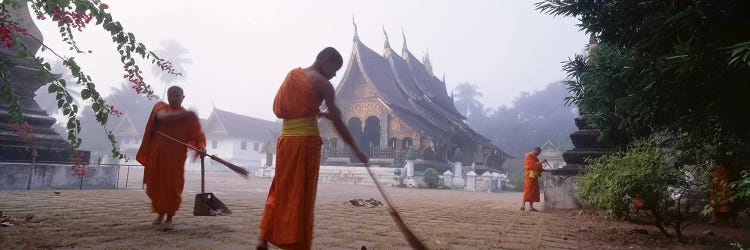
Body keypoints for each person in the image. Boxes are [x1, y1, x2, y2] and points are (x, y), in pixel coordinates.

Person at [257, 47, 368, 250]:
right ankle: (296, 244)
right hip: (305, 144)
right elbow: (338, 120)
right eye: (335, 69)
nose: (335, 75)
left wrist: (317, 112)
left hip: (285, 142)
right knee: (301, 197)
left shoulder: (293, 75)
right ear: (325, 60)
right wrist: (355, 148)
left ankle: (263, 237)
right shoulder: (323, 84)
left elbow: (282, 109)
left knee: (279, 189)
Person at [136, 86, 206, 231]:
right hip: (157, 155)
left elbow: (198, 136)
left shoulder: (188, 117)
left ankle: (169, 217)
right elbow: (163, 117)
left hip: (175, 157)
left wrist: (201, 147)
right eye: (171, 95)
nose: (174, 98)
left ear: (183, 97)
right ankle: (159, 214)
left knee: (172, 186)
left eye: (177, 95)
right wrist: (189, 115)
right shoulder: (161, 107)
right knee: (157, 184)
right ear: (167, 96)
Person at [521, 147, 546, 212]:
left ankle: (531, 207)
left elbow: (538, 167)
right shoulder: (528, 155)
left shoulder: (536, 158)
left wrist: (541, 171)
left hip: (534, 175)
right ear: (535, 150)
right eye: (538, 153)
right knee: (528, 189)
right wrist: (541, 162)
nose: (538, 154)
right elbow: (531, 165)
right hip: (529, 174)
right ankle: (523, 205)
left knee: (533, 190)